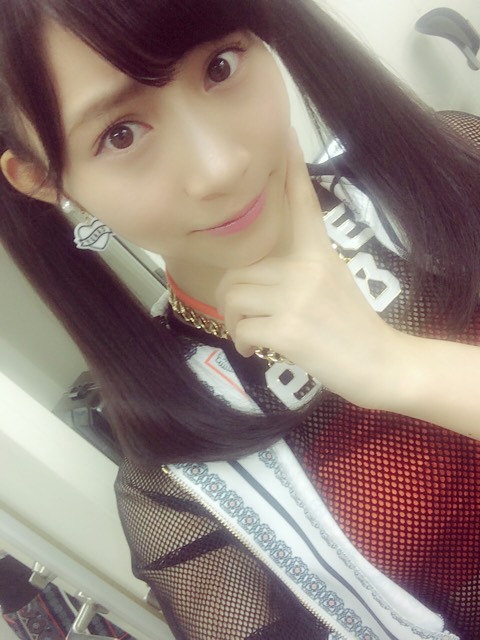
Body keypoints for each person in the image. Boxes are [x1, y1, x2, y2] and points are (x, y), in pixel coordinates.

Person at [0, 0, 479, 638]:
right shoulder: (178, 488)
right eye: (121, 134)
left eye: (220, 67)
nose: (220, 166)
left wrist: (401, 367)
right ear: (43, 179)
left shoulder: (451, 167)